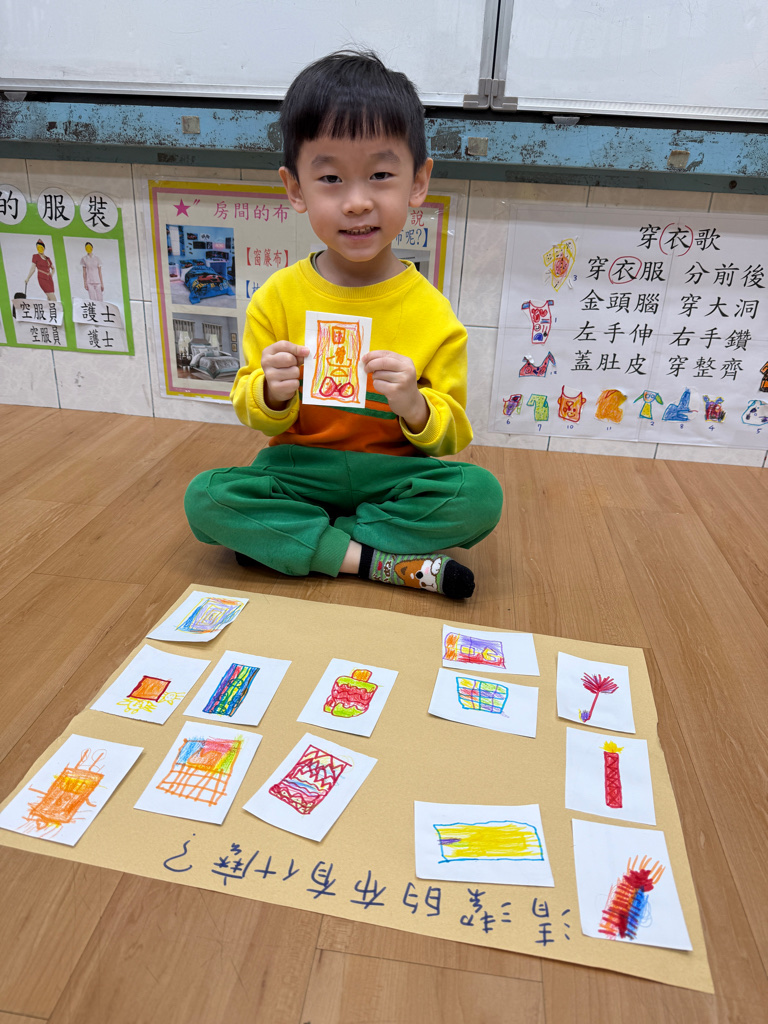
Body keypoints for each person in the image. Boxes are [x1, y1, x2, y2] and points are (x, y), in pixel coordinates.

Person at [184, 51, 503, 599]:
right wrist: (271, 391)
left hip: (395, 474)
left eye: (381, 175)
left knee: (479, 495)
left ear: (418, 182)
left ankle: (305, 543)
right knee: (206, 497)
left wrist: (416, 405)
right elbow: (249, 407)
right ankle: (375, 560)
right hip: (298, 468)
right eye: (330, 178)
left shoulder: (433, 312)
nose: (357, 202)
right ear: (296, 189)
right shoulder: (276, 297)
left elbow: (454, 432)